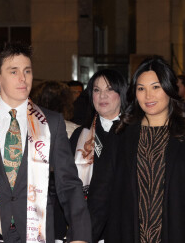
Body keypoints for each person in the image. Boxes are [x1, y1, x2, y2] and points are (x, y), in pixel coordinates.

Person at [0, 42, 91, 243]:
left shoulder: (51, 122)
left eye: (27, 71)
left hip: (35, 229)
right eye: (13, 72)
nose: (23, 78)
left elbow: (69, 184)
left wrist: (80, 235)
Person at [96, 56, 185, 242]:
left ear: (169, 88)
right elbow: (101, 193)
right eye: (141, 89)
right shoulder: (121, 133)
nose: (148, 96)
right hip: (127, 234)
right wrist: (82, 235)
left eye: (156, 87)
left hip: (179, 233)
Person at [55, 69, 127, 242]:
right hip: (83, 227)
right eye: (97, 90)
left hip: (122, 226)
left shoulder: (133, 134)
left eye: (109, 89)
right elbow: (64, 183)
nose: (102, 96)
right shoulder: (80, 135)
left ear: (121, 93)